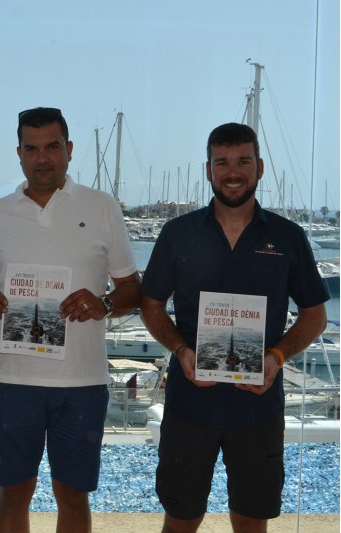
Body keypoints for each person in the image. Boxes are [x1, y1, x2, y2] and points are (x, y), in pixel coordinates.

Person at [140, 122, 329, 533]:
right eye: (221, 162)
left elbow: (315, 316)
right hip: (190, 405)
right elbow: (151, 307)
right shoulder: (178, 234)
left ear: (259, 168)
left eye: (243, 161)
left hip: (258, 407)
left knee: (251, 523)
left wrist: (277, 358)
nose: (233, 171)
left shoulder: (288, 237)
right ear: (208, 170)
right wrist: (181, 351)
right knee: (180, 521)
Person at [0, 107, 141, 533]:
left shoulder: (102, 207)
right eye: (31, 149)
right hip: (11, 379)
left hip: (82, 382)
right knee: (14, 491)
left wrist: (104, 302)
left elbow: (132, 290)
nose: (42, 158)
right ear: (19, 154)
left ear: (69, 150)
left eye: (52, 147)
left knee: (73, 493)